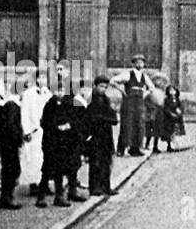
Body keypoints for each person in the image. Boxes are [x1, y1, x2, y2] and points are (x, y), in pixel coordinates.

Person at [37, 72, 85, 208]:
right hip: (51, 142)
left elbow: (75, 119)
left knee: (63, 169)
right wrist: (57, 127)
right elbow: (44, 122)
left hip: (65, 142)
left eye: (62, 90)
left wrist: (69, 125)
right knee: (47, 170)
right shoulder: (50, 105)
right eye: (58, 90)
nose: (60, 93)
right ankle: (41, 197)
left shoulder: (69, 103)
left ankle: (60, 196)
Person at [83, 76, 120, 196]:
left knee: (106, 160)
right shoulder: (91, 100)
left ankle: (106, 186)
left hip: (106, 135)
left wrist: (107, 119)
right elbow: (92, 117)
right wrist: (106, 119)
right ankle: (94, 187)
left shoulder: (106, 99)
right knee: (95, 161)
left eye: (105, 87)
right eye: (101, 86)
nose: (103, 89)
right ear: (95, 86)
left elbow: (113, 116)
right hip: (95, 135)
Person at [0, 77, 24, 209]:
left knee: (11, 169)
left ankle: (8, 196)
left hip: (6, 141)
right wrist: (18, 139)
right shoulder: (12, 104)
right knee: (12, 169)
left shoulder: (11, 104)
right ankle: (6, 197)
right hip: (8, 142)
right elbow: (12, 126)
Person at [115, 55, 153, 157]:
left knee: (139, 125)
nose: (139, 64)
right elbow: (113, 81)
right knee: (127, 125)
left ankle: (135, 149)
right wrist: (121, 90)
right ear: (133, 63)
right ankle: (121, 149)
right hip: (129, 103)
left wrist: (145, 94)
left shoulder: (145, 76)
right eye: (137, 62)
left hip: (140, 104)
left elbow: (151, 87)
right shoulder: (128, 74)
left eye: (141, 62)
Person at [18, 75, 47, 194]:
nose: (43, 80)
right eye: (41, 77)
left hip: (44, 129)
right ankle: (33, 184)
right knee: (32, 158)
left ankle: (43, 183)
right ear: (36, 79)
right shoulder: (28, 94)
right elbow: (24, 112)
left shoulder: (47, 93)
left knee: (43, 157)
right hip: (33, 129)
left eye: (45, 78)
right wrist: (26, 130)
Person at [153, 85, 185, 153]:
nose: (172, 92)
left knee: (176, 132)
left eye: (173, 90)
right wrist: (171, 114)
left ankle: (177, 145)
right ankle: (169, 146)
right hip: (169, 119)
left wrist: (179, 112)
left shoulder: (177, 99)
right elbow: (166, 108)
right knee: (168, 133)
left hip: (177, 119)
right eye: (170, 91)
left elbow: (181, 106)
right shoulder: (167, 99)